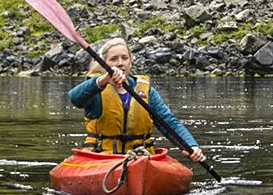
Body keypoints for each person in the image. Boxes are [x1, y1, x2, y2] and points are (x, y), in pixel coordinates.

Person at [66, 37, 206, 161]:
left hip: (140, 156)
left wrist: (191, 145)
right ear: (105, 63)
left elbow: (169, 122)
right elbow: (74, 98)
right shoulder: (95, 88)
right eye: (113, 59)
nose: (120, 63)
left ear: (131, 62)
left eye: (124, 58)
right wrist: (103, 80)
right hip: (102, 156)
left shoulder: (146, 91)